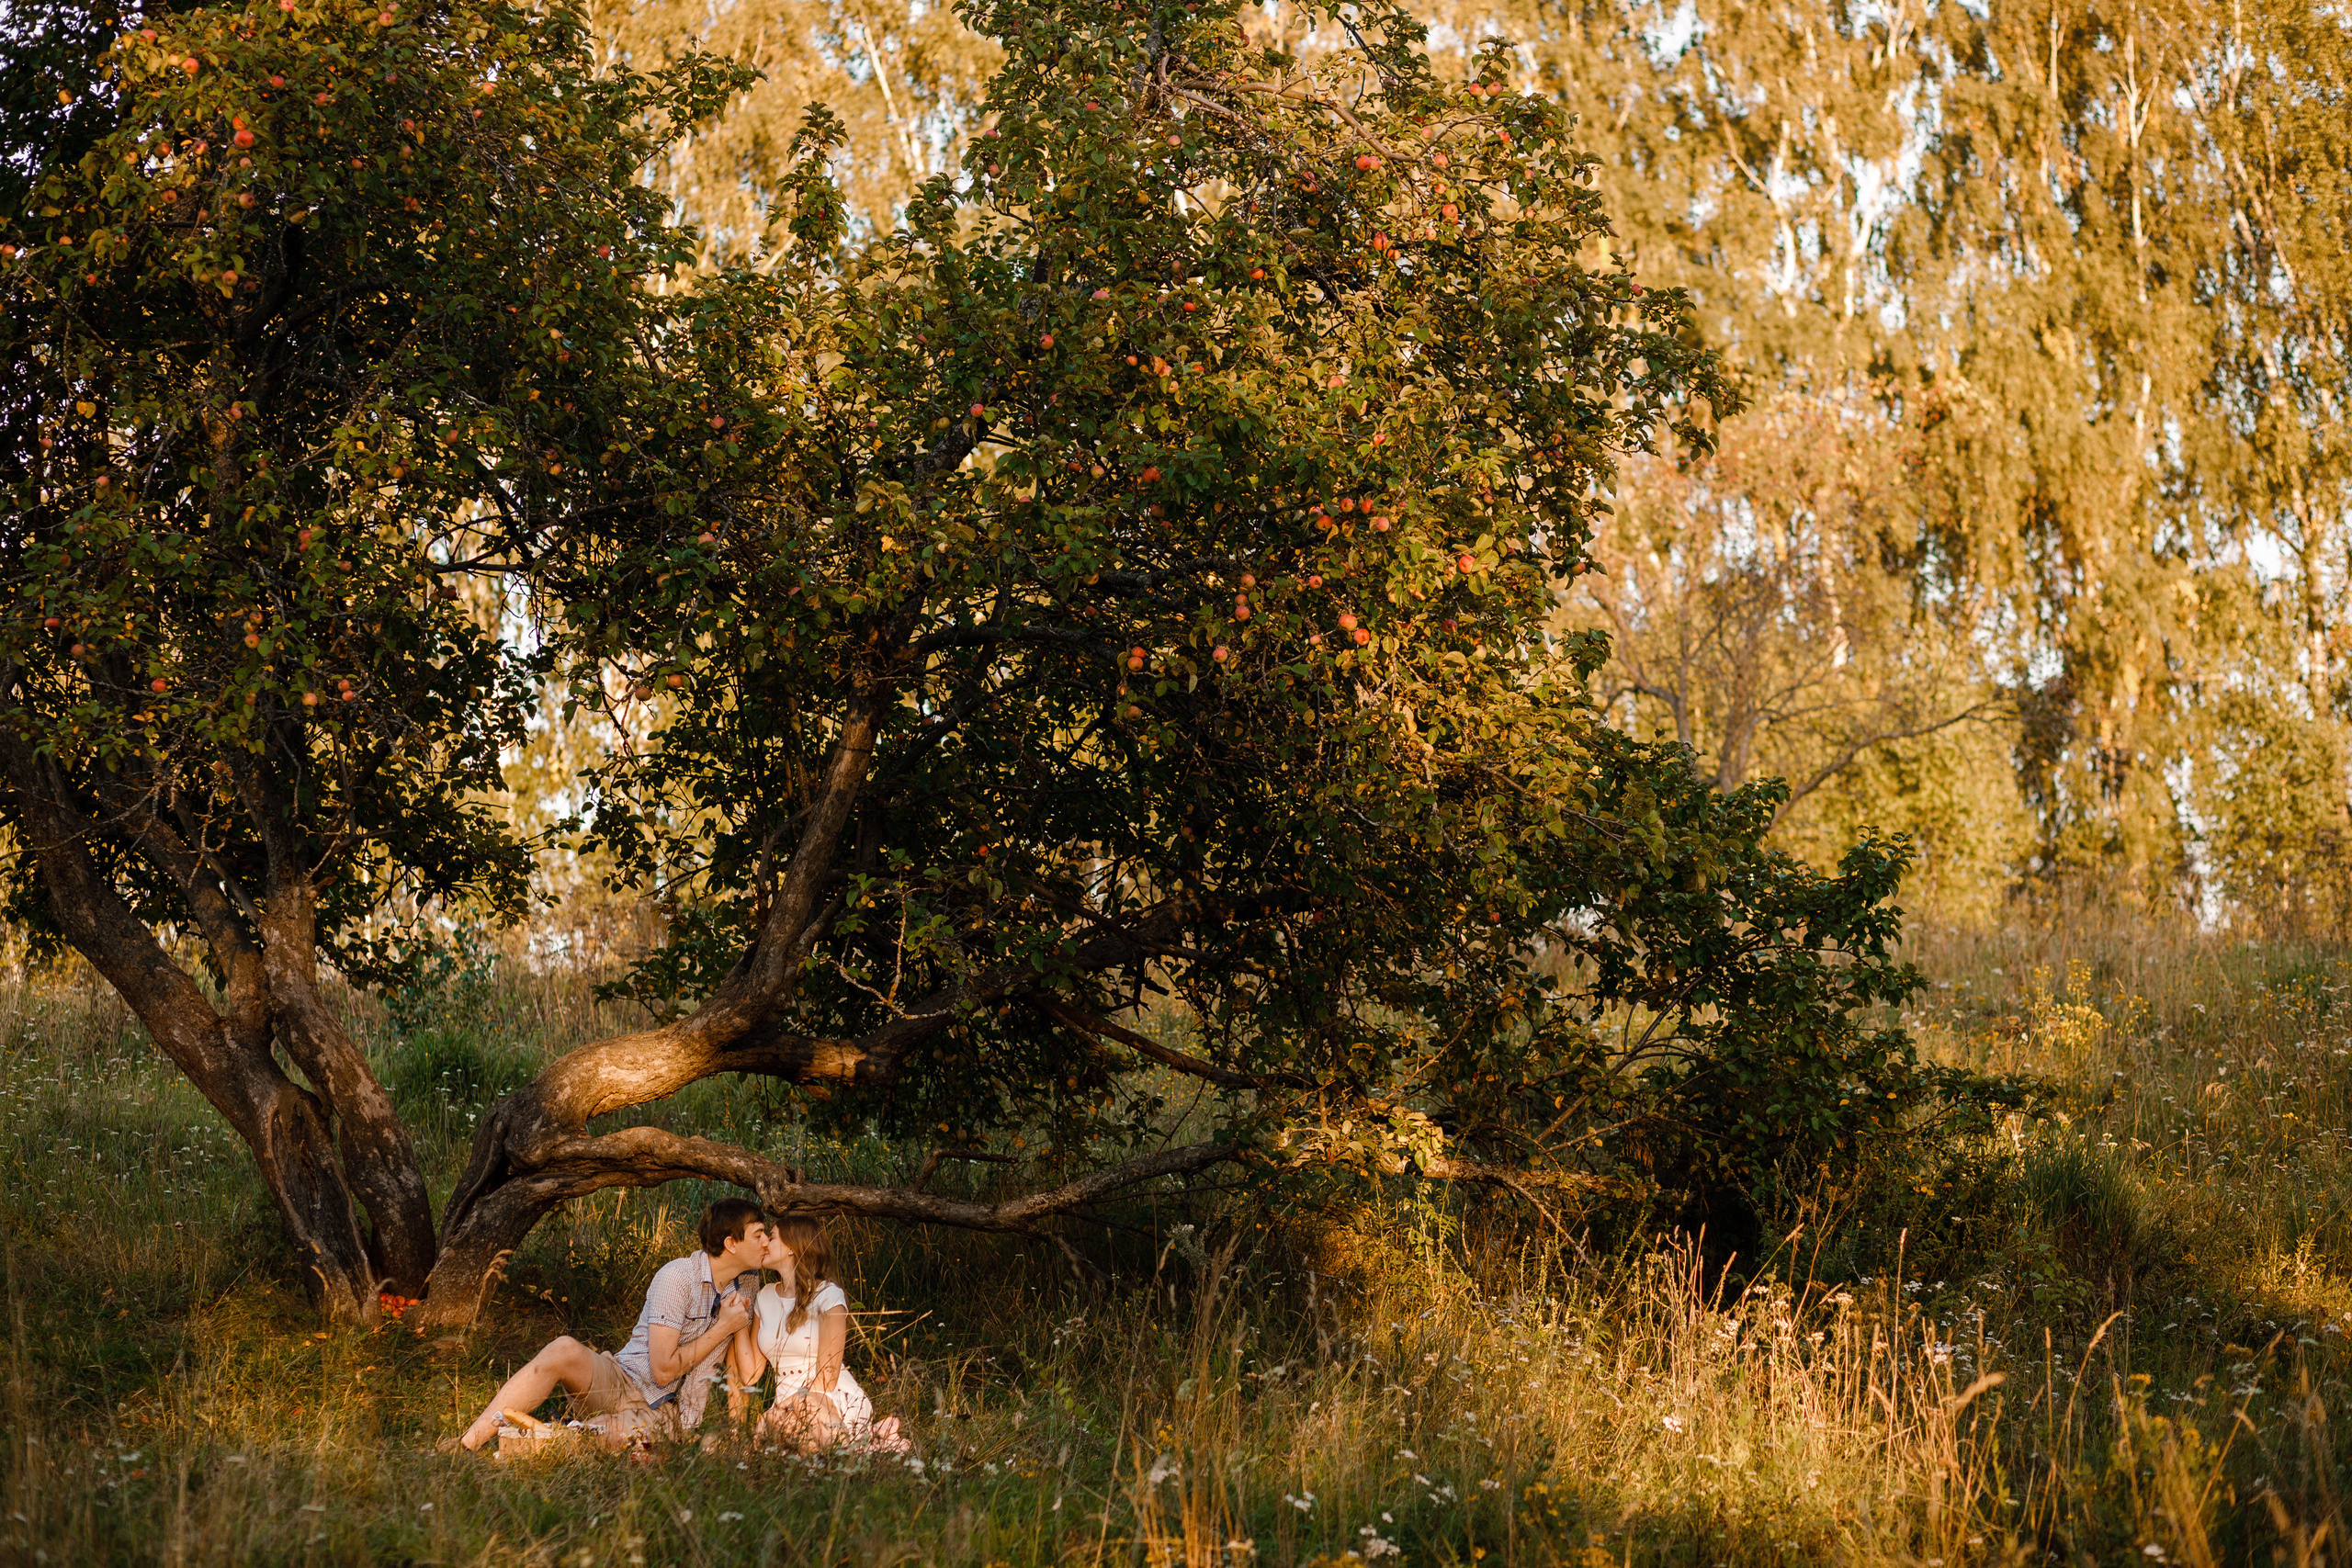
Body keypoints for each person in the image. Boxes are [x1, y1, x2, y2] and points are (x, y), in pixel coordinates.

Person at [457, 1197, 770, 1451]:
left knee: (617, 1435)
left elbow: (736, 1368)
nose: (767, 1242)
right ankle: (469, 1443)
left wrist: (736, 1426)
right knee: (563, 1348)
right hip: (622, 1382)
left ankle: (549, 1437)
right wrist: (723, 1327)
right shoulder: (678, 1278)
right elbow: (663, 1370)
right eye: (759, 1235)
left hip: (669, 1413)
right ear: (731, 1243)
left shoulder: (748, 1283)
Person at [735, 1214, 905, 1452]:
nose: (764, 1243)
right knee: (769, 1436)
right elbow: (750, 1374)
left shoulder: (828, 1296)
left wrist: (785, 1410)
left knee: (780, 1430)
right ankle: (867, 1444)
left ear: (793, 1248)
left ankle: (863, 1443)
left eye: (771, 1237)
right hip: (786, 1403)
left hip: (829, 1395)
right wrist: (738, 1321)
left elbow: (828, 1375)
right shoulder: (764, 1296)